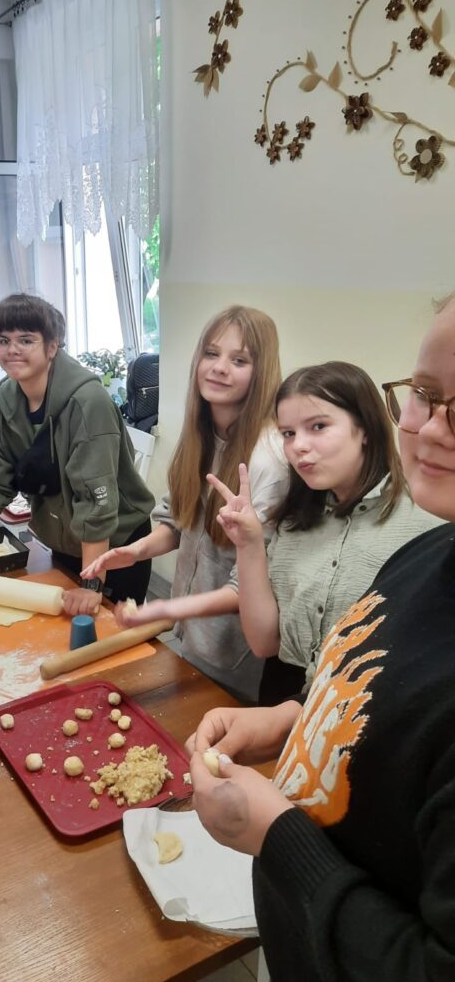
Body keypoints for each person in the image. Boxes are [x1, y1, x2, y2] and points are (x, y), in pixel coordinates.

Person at [187, 295, 455, 981]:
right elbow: (380, 702)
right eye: (424, 394)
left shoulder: (414, 525)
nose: (428, 427)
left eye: (319, 426)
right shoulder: (425, 558)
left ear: (363, 427)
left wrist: (278, 836)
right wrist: (296, 719)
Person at [83, 305, 288, 701]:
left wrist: (165, 610)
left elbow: (247, 586)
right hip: (190, 636)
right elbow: (179, 521)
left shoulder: (268, 462)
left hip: (236, 654)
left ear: (261, 372)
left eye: (239, 360)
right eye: (211, 354)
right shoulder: (202, 435)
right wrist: (136, 551)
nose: (220, 368)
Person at [205, 362, 440, 703]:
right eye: (288, 433)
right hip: (280, 698)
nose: (298, 446)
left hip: (368, 708)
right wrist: (249, 545)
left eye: (318, 426)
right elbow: (264, 643)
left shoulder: (425, 522)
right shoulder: (295, 518)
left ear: (365, 429)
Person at [0, 293, 155, 614]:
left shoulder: (88, 403)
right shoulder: (3, 400)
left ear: (53, 346)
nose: (12, 349)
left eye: (26, 340)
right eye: (3, 340)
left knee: (108, 634)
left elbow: (95, 503)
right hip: (64, 537)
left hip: (115, 547)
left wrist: (92, 586)